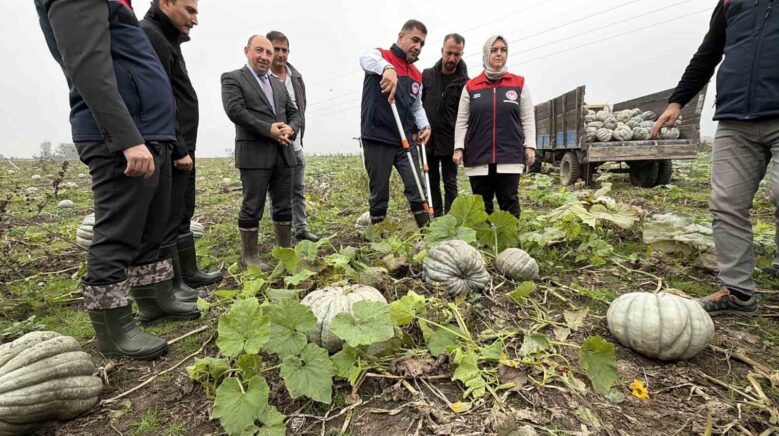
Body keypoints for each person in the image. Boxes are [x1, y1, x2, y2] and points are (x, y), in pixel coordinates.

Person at [35, 0, 199, 360]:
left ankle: (154, 300)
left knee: (151, 227)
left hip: (148, 133)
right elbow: (87, 66)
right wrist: (126, 138)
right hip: (121, 137)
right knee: (118, 232)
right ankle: (114, 328)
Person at [652, 0, 778, 316]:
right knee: (726, 203)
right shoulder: (729, 2)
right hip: (735, 116)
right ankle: (738, 293)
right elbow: (708, 54)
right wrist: (678, 100)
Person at [141, 0, 223, 293]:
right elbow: (161, 98)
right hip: (175, 146)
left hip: (185, 144)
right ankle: (173, 287)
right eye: (190, 10)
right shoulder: (150, 35)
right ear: (165, 3)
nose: (195, 19)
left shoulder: (168, 40)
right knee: (170, 216)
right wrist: (178, 147)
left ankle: (188, 274)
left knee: (183, 211)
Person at [221, 35, 301, 269]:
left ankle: (285, 251)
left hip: (284, 153)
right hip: (254, 154)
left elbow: (294, 113)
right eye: (260, 51)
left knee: (284, 204)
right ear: (247, 51)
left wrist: (291, 128)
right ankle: (250, 256)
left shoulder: (277, 84)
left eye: (268, 53)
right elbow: (235, 110)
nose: (265, 57)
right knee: (252, 204)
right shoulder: (233, 78)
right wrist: (268, 130)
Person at [359, 19, 432, 228]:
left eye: (422, 44)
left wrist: (425, 125)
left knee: (417, 186)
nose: (418, 47)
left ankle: (426, 234)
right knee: (379, 192)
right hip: (377, 135)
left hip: (405, 140)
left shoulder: (416, 74)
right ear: (401, 36)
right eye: (415, 40)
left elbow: (416, 107)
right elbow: (364, 59)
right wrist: (387, 68)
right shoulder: (381, 56)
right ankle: (377, 237)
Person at [453, 35, 536, 218]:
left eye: (503, 50)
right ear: (486, 53)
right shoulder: (471, 86)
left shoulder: (518, 83)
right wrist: (458, 148)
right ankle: (485, 243)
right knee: (481, 204)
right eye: (494, 50)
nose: (499, 53)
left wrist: (530, 145)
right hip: (478, 153)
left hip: (509, 154)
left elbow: (528, 117)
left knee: (509, 201)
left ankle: (510, 241)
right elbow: (462, 120)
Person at [266, 30, 319, 242]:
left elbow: (300, 108)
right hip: (272, 143)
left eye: (284, 50)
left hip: (294, 142)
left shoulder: (296, 77)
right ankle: (282, 232)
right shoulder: (261, 77)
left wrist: (294, 129)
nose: (280, 54)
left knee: (298, 188)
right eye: (276, 49)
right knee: (277, 191)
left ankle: (301, 228)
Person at [422, 33, 468, 217]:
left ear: (461, 54)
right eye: (449, 53)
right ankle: (437, 217)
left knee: (450, 182)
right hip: (429, 141)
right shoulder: (427, 76)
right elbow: (417, 105)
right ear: (442, 51)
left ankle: (450, 219)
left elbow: (466, 117)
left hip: (451, 142)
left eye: (457, 54)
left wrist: (461, 145)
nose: (452, 58)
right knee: (431, 181)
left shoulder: (465, 83)